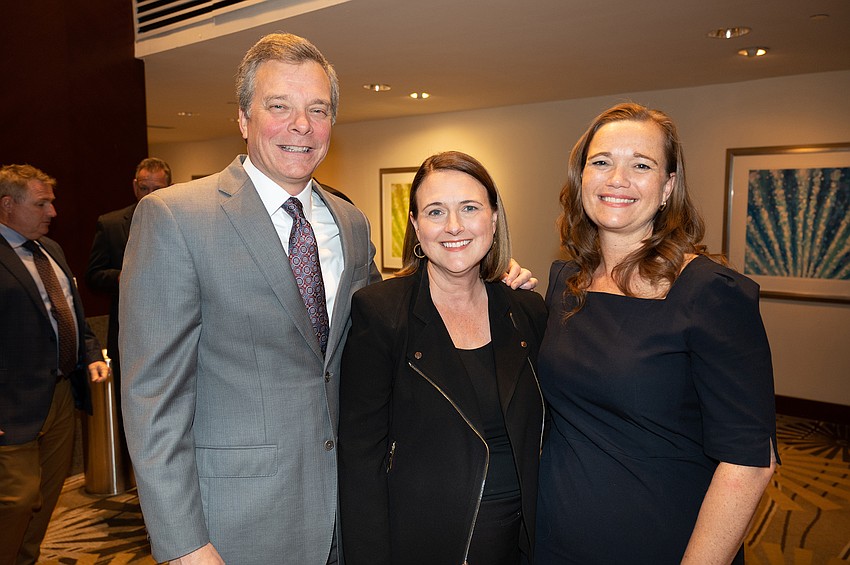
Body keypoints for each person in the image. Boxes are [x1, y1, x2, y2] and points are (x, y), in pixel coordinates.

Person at [119, 34, 534, 565]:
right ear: (244, 119)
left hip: (348, 511)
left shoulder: (350, 223)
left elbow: (394, 321)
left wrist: (496, 282)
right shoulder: (175, 218)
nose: (301, 125)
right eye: (279, 107)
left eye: (318, 110)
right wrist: (183, 544)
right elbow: (152, 397)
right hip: (232, 523)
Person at [534, 102, 779, 564]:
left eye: (641, 165)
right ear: (580, 178)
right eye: (601, 162)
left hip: (662, 539)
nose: (617, 179)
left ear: (668, 187)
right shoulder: (564, 282)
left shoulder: (711, 293)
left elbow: (749, 464)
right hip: (555, 537)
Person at [338, 151, 547, 565]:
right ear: (415, 224)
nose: (454, 226)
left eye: (469, 208)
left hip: (524, 540)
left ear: (493, 218)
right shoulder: (380, 313)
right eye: (436, 211)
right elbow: (361, 458)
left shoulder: (527, 311)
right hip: (423, 541)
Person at [0, 164, 109, 565]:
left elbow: (71, 314)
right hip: (11, 402)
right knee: (17, 498)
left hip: (62, 392)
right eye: (42, 203)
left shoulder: (51, 250)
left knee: (47, 492)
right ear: (8, 205)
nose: (53, 212)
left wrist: (91, 354)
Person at [85, 158, 171, 443]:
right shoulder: (110, 224)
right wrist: (122, 276)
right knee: (134, 409)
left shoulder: (184, 218)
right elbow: (94, 276)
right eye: (143, 187)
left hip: (174, 327)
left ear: (169, 186)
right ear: (134, 186)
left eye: (156, 188)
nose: (149, 194)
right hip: (129, 331)